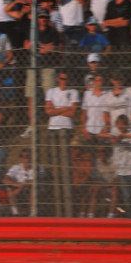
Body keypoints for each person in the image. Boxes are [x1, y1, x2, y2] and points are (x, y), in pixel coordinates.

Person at [44, 71, 78, 216]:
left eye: (66, 79)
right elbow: (47, 111)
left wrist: (56, 110)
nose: (64, 81)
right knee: (56, 168)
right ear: (58, 79)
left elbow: (73, 113)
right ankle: (58, 210)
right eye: (62, 78)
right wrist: (65, 108)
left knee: (65, 168)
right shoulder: (51, 91)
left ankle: (69, 211)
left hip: (65, 129)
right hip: (52, 129)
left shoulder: (73, 92)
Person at [3, 149, 33, 216]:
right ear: (20, 159)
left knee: (32, 188)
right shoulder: (15, 167)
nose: (24, 159)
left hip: (28, 189)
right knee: (8, 189)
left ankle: (32, 212)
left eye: (27, 156)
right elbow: (5, 179)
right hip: (17, 189)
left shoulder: (35, 168)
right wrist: (16, 184)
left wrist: (21, 186)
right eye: (22, 156)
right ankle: (15, 213)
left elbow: (33, 181)